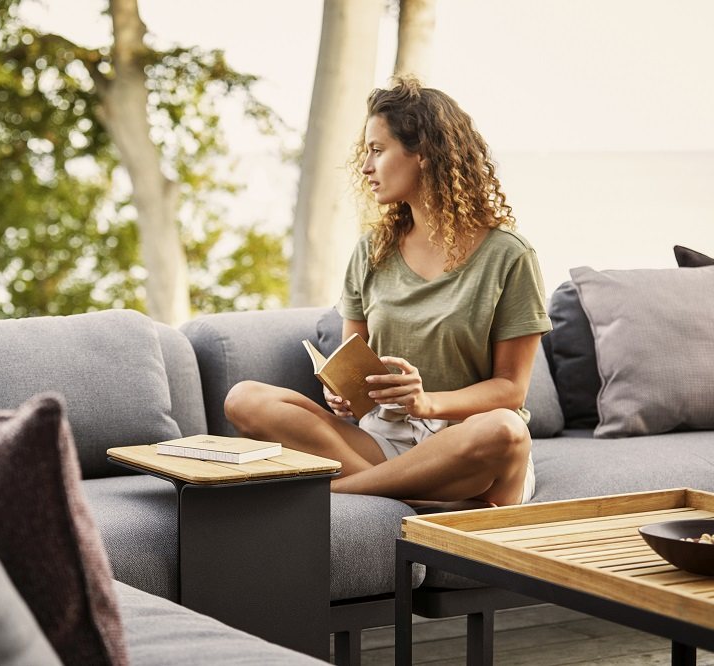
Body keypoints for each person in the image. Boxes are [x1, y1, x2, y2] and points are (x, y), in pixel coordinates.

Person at [225, 78, 551, 507]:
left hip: (465, 446)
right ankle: (420, 497)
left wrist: (426, 402)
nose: (366, 167)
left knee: (505, 430)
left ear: (424, 154)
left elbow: (511, 389)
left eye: (377, 150)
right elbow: (352, 363)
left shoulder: (509, 256)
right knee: (245, 399)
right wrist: (341, 393)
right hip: (381, 441)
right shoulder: (371, 251)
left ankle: (341, 490)